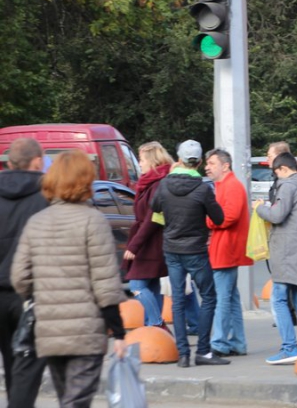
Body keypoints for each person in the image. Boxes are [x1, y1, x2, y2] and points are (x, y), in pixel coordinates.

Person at [11, 150, 127, 406]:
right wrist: (118, 333)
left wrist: (42, 296)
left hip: (49, 329)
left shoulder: (36, 222)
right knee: (76, 400)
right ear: (86, 180)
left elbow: (19, 276)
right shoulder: (93, 221)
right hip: (86, 332)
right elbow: (106, 282)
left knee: (68, 398)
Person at [151, 139, 229, 367]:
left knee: (177, 299)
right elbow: (219, 218)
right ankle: (203, 351)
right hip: (195, 250)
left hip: (172, 249)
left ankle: (183, 354)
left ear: (179, 160)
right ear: (200, 162)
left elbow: (154, 207)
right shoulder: (203, 188)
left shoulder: (164, 185)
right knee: (209, 296)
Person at [253, 152, 297, 364]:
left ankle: (289, 347)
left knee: (279, 298)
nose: (277, 177)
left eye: (276, 173)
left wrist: (259, 208)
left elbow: (277, 215)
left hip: (288, 252)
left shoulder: (288, 186)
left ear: (283, 169)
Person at [0, 138, 48, 408]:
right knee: (27, 367)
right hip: (30, 294)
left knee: (10, 362)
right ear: (38, 161)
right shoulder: (46, 196)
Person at [205, 148, 253, 357]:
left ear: (225, 166)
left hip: (226, 248)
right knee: (230, 298)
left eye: (212, 163)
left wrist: (207, 221)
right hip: (225, 248)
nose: (207, 167)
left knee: (222, 298)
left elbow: (227, 217)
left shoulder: (231, 186)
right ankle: (238, 343)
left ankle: (220, 343)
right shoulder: (226, 185)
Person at [122, 141, 173, 332]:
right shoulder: (151, 182)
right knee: (151, 285)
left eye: (141, 159)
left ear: (152, 160)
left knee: (136, 285)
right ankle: (154, 328)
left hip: (150, 243)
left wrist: (134, 246)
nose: (139, 163)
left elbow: (152, 219)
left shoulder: (158, 184)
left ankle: (156, 322)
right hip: (150, 242)